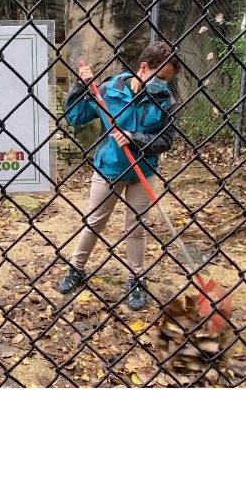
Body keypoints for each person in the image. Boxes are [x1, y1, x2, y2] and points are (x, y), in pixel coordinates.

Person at [58, 41, 179, 310]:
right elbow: (75, 118)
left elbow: (166, 140)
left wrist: (134, 137)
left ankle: (136, 279)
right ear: (144, 67)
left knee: (137, 227)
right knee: (94, 222)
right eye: (160, 77)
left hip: (143, 171)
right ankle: (76, 268)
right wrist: (80, 87)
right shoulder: (110, 90)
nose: (163, 84)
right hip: (110, 168)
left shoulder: (165, 100)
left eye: (167, 80)